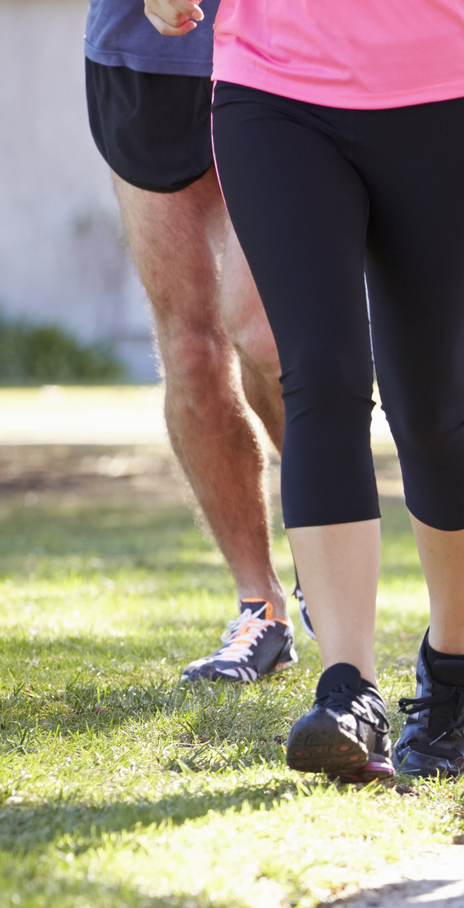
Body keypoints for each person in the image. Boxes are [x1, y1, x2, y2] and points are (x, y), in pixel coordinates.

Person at [144, 0, 464, 783]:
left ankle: (452, 666)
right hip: (273, 90)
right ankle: (349, 689)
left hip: (443, 89)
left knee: (431, 407)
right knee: (321, 374)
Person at [84, 0, 294, 684]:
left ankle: (333, 556)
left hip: (281, 52)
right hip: (144, 57)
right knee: (191, 351)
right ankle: (259, 607)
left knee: (267, 338)